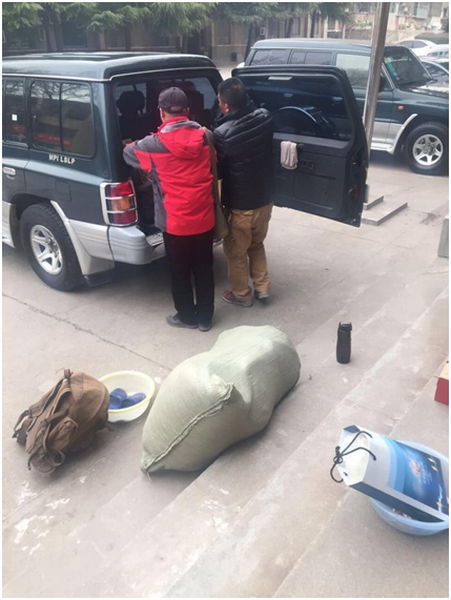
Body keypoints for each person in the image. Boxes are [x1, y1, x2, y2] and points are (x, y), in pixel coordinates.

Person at [123, 87, 215, 331]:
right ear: (188, 111)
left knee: (179, 272)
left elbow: (127, 153)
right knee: (204, 269)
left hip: (174, 223)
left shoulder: (151, 145)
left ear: (161, 113)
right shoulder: (206, 137)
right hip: (204, 217)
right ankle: (205, 318)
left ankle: (187, 317)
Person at [213, 77, 274, 307]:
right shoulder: (265, 117)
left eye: (219, 101)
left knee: (236, 252)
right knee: (257, 244)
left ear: (226, 106)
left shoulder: (222, 133)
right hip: (265, 200)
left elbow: (220, 170)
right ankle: (262, 287)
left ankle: (241, 295)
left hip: (241, 206)